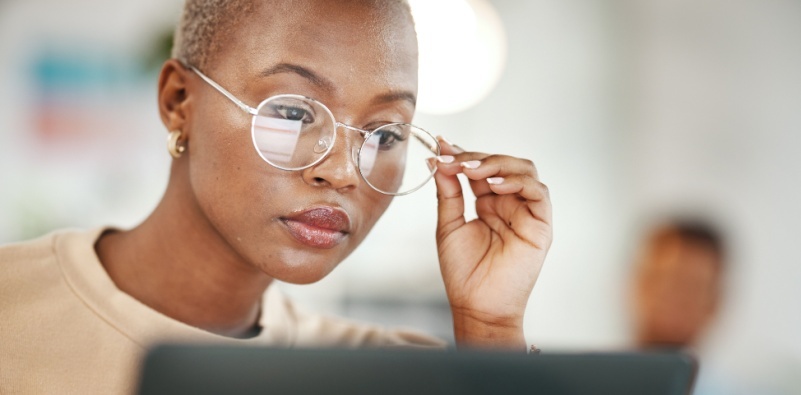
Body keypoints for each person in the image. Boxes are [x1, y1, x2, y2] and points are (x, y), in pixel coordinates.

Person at [0, 0, 553, 393]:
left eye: (385, 134)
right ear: (178, 101)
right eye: (292, 112)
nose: (341, 172)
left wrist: (492, 328)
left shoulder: (390, 372)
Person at [630, 219, 724, 349]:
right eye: (669, 281)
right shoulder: (596, 369)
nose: (679, 297)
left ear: (714, 304)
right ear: (640, 285)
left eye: (694, 287)